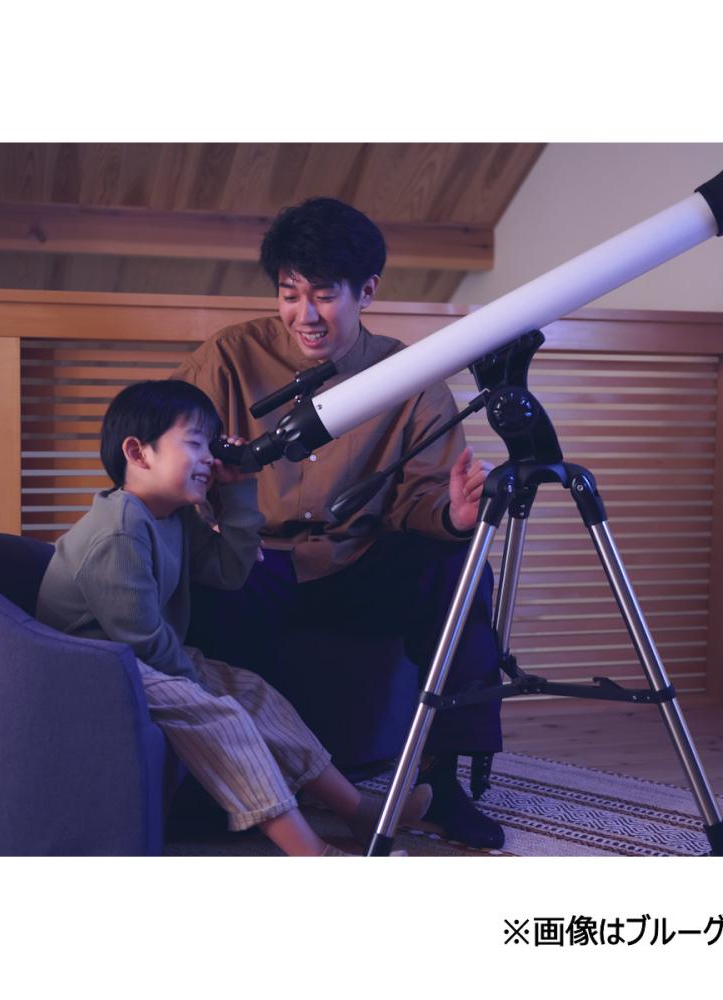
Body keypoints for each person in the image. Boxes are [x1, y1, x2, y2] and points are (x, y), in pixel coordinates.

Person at [174, 197, 505, 849]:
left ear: (367, 292)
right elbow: (174, 448)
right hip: (255, 559)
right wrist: (209, 486)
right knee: (203, 584)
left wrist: (454, 514)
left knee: (461, 570)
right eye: (289, 294)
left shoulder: (409, 377)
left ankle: (443, 780)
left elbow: (422, 498)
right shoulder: (229, 357)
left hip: (358, 562)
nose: (305, 314)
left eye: (324, 296)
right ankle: (229, 788)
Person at [35, 379, 430, 856]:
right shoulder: (118, 530)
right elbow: (139, 639)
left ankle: (358, 811)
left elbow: (229, 572)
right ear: (138, 453)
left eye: (211, 445)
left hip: (139, 659)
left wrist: (240, 491)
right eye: (194, 443)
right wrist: (199, 687)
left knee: (252, 693)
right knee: (222, 717)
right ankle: (313, 854)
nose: (208, 458)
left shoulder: (174, 515)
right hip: (95, 669)